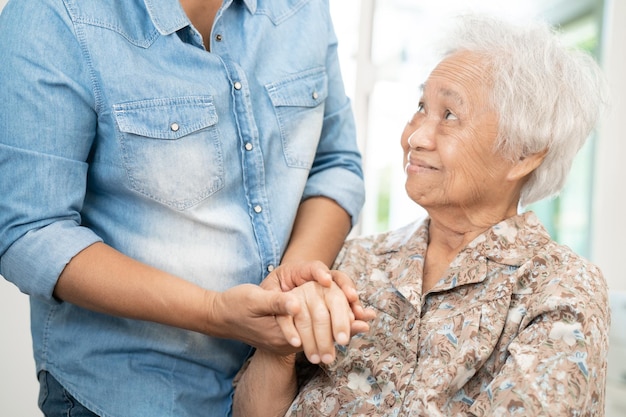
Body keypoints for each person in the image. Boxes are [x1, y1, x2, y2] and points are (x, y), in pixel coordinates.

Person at [0, 0, 368, 415]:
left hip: (284, 386)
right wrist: (214, 312)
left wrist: (290, 289)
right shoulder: (53, 15)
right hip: (130, 393)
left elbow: (335, 164)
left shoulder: (303, 8)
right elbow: (31, 232)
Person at [233, 13, 610, 417]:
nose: (414, 137)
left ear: (522, 154)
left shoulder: (559, 289)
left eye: (449, 115)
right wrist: (280, 345)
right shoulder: (351, 263)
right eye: (420, 107)